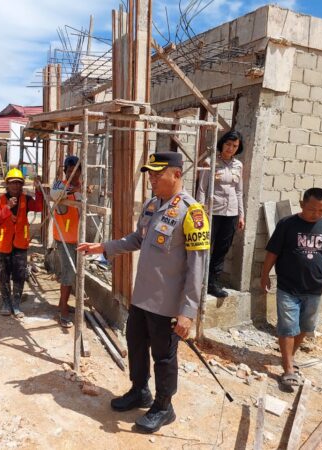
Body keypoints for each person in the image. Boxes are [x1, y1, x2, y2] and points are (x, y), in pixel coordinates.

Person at [77, 152, 209, 434]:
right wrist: (102, 247)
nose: (151, 179)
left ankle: (164, 406)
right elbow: (137, 239)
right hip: (142, 297)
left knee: (164, 357)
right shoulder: (151, 205)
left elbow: (197, 269)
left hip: (167, 304)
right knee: (135, 345)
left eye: (157, 174)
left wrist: (188, 312)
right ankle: (140, 391)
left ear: (176, 174)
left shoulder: (192, 212)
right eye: (149, 174)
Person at [260, 187, 322, 388]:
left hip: (314, 288)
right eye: (313, 209)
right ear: (302, 204)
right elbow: (272, 252)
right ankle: (287, 370)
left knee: (305, 326)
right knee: (287, 327)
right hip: (288, 287)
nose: (317, 214)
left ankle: (289, 357)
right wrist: (264, 274)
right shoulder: (287, 224)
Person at [196, 130, 245, 298]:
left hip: (230, 213)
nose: (231, 148)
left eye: (235, 146)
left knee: (221, 250)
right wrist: (200, 212)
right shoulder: (210, 162)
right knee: (204, 247)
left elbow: (239, 191)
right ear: (222, 143)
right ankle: (197, 282)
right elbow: (202, 188)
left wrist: (241, 215)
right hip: (212, 212)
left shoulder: (238, 165)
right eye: (228, 144)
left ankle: (213, 284)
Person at [0, 168, 42, 317]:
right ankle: (6, 303)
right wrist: (7, 207)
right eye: (12, 183)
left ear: (22, 185)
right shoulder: (0, 200)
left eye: (18, 183)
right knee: (2, 274)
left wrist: (38, 190)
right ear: (7, 184)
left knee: (19, 274)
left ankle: (16, 304)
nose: (15, 186)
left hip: (20, 244)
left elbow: (39, 207)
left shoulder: (26, 200)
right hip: (3, 245)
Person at [50, 155, 82, 328]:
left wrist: (81, 190)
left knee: (73, 273)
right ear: (65, 172)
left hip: (78, 238)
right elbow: (55, 195)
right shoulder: (60, 185)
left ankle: (64, 303)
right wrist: (75, 189)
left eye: (77, 172)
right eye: (70, 171)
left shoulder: (81, 187)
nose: (73, 175)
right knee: (68, 273)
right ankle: (62, 308)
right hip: (64, 237)